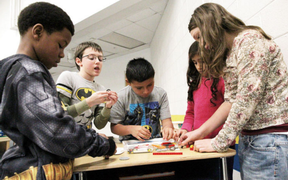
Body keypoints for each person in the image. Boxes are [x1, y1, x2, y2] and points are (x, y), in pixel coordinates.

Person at [0, 2, 116, 179]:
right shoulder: (30, 72)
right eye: (60, 45)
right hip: (37, 171)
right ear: (37, 32)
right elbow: (57, 131)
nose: (62, 54)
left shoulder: (11, 70)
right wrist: (104, 144)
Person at [179, 2, 288, 179]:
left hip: (269, 139)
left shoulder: (249, 40)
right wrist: (198, 133)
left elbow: (247, 98)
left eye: (199, 37)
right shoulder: (231, 53)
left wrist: (219, 142)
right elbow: (230, 101)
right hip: (252, 140)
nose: (202, 45)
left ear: (210, 25)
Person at [174, 41, 234, 180]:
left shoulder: (222, 79)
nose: (199, 66)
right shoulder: (195, 83)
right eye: (195, 62)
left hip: (218, 146)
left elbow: (231, 109)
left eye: (202, 61)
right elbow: (190, 112)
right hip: (198, 145)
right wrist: (185, 129)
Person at [56, 41, 118, 130]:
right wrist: (90, 102)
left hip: (85, 136)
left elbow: (99, 125)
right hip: (66, 136)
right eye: (92, 58)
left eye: (100, 59)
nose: (97, 62)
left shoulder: (100, 89)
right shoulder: (68, 77)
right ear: (79, 61)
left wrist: (108, 107)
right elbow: (61, 113)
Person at [110, 58, 174, 142]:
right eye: (139, 88)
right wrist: (131, 129)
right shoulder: (120, 97)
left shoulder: (161, 94)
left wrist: (168, 128)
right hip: (129, 143)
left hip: (154, 142)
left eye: (150, 85)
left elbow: (166, 121)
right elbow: (114, 127)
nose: (146, 91)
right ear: (128, 82)